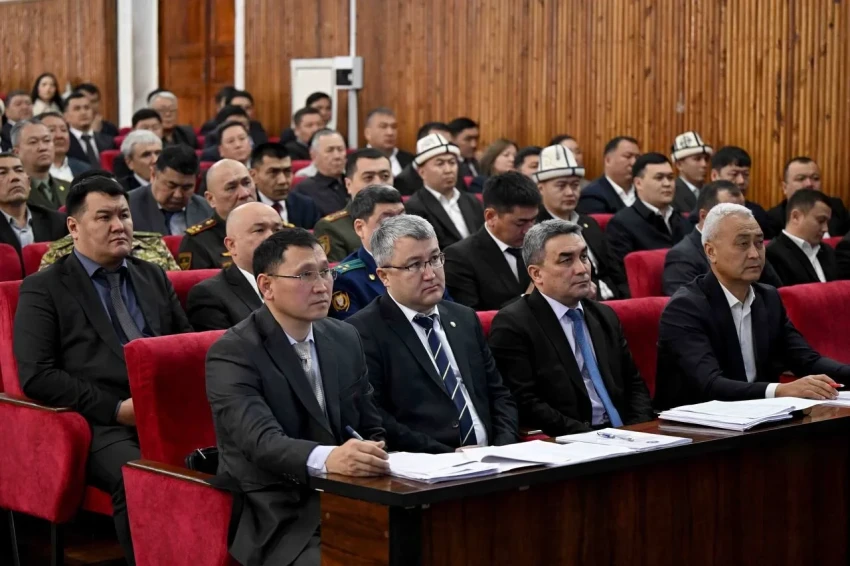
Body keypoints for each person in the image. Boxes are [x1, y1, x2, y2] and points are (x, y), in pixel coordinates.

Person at [14, 172, 192, 565]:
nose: (119, 226)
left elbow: (184, 346)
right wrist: (116, 409)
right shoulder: (44, 288)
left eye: (124, 215)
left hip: (167, 411)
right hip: (101, 421)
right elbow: (37, 375)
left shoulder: (151, 275)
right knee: (141, 476)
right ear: (73, 227)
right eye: (104, 217)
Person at [206, 228, 387, 566]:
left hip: (353, 498)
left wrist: (373, 455)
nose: (321, 286)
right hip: (281, 514)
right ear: (266, 286)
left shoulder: (344, 336)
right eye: (305, 275)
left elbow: (370, 425)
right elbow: (261, 442)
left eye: (325, 272)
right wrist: (331, 459)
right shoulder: (233, 352)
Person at [347, 215, 518, 453]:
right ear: (384, 276)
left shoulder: (464, 318)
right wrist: (447, 456)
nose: (430, 274)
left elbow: (498, 394)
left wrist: (503, 448)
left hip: (494, 457)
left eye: (435, 259)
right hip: (428, 464)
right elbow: (378, 418)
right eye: (414, 265)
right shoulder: (362, 332)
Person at [655, 203, 850, 410]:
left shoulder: (768, 298)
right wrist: (780, 390)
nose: (755, 254)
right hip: (696, 421)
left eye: (759, 243)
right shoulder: (685, 308)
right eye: (742, 244)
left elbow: (806, 360)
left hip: (762, 416)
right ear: (711, 252)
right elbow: (710, 384)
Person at [489, 220, 654, 436]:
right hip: (572, 438)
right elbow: (526, 402)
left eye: (583, 257)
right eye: (566, 260)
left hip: (626, 433)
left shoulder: (604, 315)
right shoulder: (514, 324)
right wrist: (594, 438)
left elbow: (634, 384)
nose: (582, 269)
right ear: (537, 274)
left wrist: (638, 430)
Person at [536, 144, 629, 300]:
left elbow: (617, 274)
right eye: (561, 186)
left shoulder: (589, 223)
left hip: (613, 303)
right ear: (541, 188)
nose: (570, 192)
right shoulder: (536, 230)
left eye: (575, 185)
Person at [662, 180, 783, 296]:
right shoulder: (682, 256)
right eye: (730, 214)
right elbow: (685, 304)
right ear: (704, 216)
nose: (741, 219)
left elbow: (777, 291)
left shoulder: (754, 248)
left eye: (743, 211)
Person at [443, 172, 539, 310]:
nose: (528, 230)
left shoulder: (540, 246)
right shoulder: (459, 258)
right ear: (491, 216)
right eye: (520, 223)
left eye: (533, 220)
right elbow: (469, 317)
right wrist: (529, 296)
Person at [187, 202, 282, 330]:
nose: (272, 237)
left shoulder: (298, 280)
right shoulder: (209, 295)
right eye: (259, 230)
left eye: (277, 230)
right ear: (232, 245)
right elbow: (225, 343)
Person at [329, 185, 406, 320]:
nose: (400, 228)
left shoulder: (425, 262)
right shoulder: (345, 280)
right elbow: (352, 330)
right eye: (387, 221)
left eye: (403, 218)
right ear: (360, 228)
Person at [404, 133, 484, 250]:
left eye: (452, 162)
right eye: (440, 163)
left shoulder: (472, 201)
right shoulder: (414, 207)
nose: (448, 170)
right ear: (422, 172)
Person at [606, 152, 690, 263]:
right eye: (659, 178)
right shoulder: (621, 225)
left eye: (670, 177)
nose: (667, 184)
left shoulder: (683, 220)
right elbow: (620, 271)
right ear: (638, 183)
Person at [313, 148, 393, 261]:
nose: (378, 183)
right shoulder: (332, 228)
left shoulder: (408, 218)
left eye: (385, 176)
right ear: (348, 184)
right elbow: (337, 271)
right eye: (368, 178)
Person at [177, 159, 256, 269]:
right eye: (231, 188)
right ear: (211, 199)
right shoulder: (197, 242)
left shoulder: (276, 228)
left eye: (247, 183)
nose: (244, 193)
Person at [0, 152, 67, 276]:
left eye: (19, 170)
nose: (14, 178)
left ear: (29, 182)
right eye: (2, 173)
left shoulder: (58, 222)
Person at [128, 145, 212, 235]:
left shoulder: (206, 210)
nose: (178, 195)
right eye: (171, 186)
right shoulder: (128, 207)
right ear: (153, 175)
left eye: (186, 188)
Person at [765, 188, 836, 286]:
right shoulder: (771, 255)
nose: (825, 229)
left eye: (827, 222)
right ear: (795, 217)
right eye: (820, 221)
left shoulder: (828, 251)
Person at [766, 156, 850, 237]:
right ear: (785, 187)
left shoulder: (836, 207)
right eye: (801, 178)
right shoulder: (773, 219)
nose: (809, 184)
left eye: (815, 178)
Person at [710, 145, 775, 239]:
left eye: (746, 174)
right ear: (715, 175)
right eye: (734, 174)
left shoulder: (758, 215)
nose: (741, 181)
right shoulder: (704, 211)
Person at [250, 143, 320, 228]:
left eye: (287, 171)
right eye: (273, 172)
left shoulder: (306, 206)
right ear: (253, 176)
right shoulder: (245, 210)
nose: (282, 181)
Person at [11, 118, 70, 210]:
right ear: (16, 152)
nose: (42, 148)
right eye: (33, 142)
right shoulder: (12, 190)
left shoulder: (69, 188)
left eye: (47, 140)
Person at [393, 122, 461, 196]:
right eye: (438, 144)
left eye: (449, 144)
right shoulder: (402, 181)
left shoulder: (457, 170)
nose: (448, 170)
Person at [577, 136, 640, 214]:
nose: (634, 162)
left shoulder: (643, 191)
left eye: (637, 158)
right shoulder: (592, 195)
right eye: (628, 156)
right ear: (608, 160)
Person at [293, 129, 348, 217]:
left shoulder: (354, 182)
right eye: (330, 150)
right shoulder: (303, 190)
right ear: (314, 155)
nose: (337, 156)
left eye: (340, 149)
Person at [110, 109, 166, 182]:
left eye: (158, 153)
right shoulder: (121, 188)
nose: (155, 160)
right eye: (146, 155)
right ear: (129, 162)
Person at [64, 91, 115, 168]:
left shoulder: (108, 141)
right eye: (77, 109)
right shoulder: (64, 143)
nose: (83, 112)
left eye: (87, 108)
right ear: (66, 116)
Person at [40, 111, 91, 183]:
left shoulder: (85, 170)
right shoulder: (30, 171)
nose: (59, 135)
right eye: (51, 130)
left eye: (63, 130)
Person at [363, 107, 414, 176]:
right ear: (368, 133)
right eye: (383, 127)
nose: (390, 133)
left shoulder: (410, 161)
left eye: (394, 127)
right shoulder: (355, 161)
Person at [670, 131, 712, 213]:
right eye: (697, 159)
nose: (704, 164)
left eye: (706, 159)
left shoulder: (711, 191)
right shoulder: (672, 193)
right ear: (679, 165)